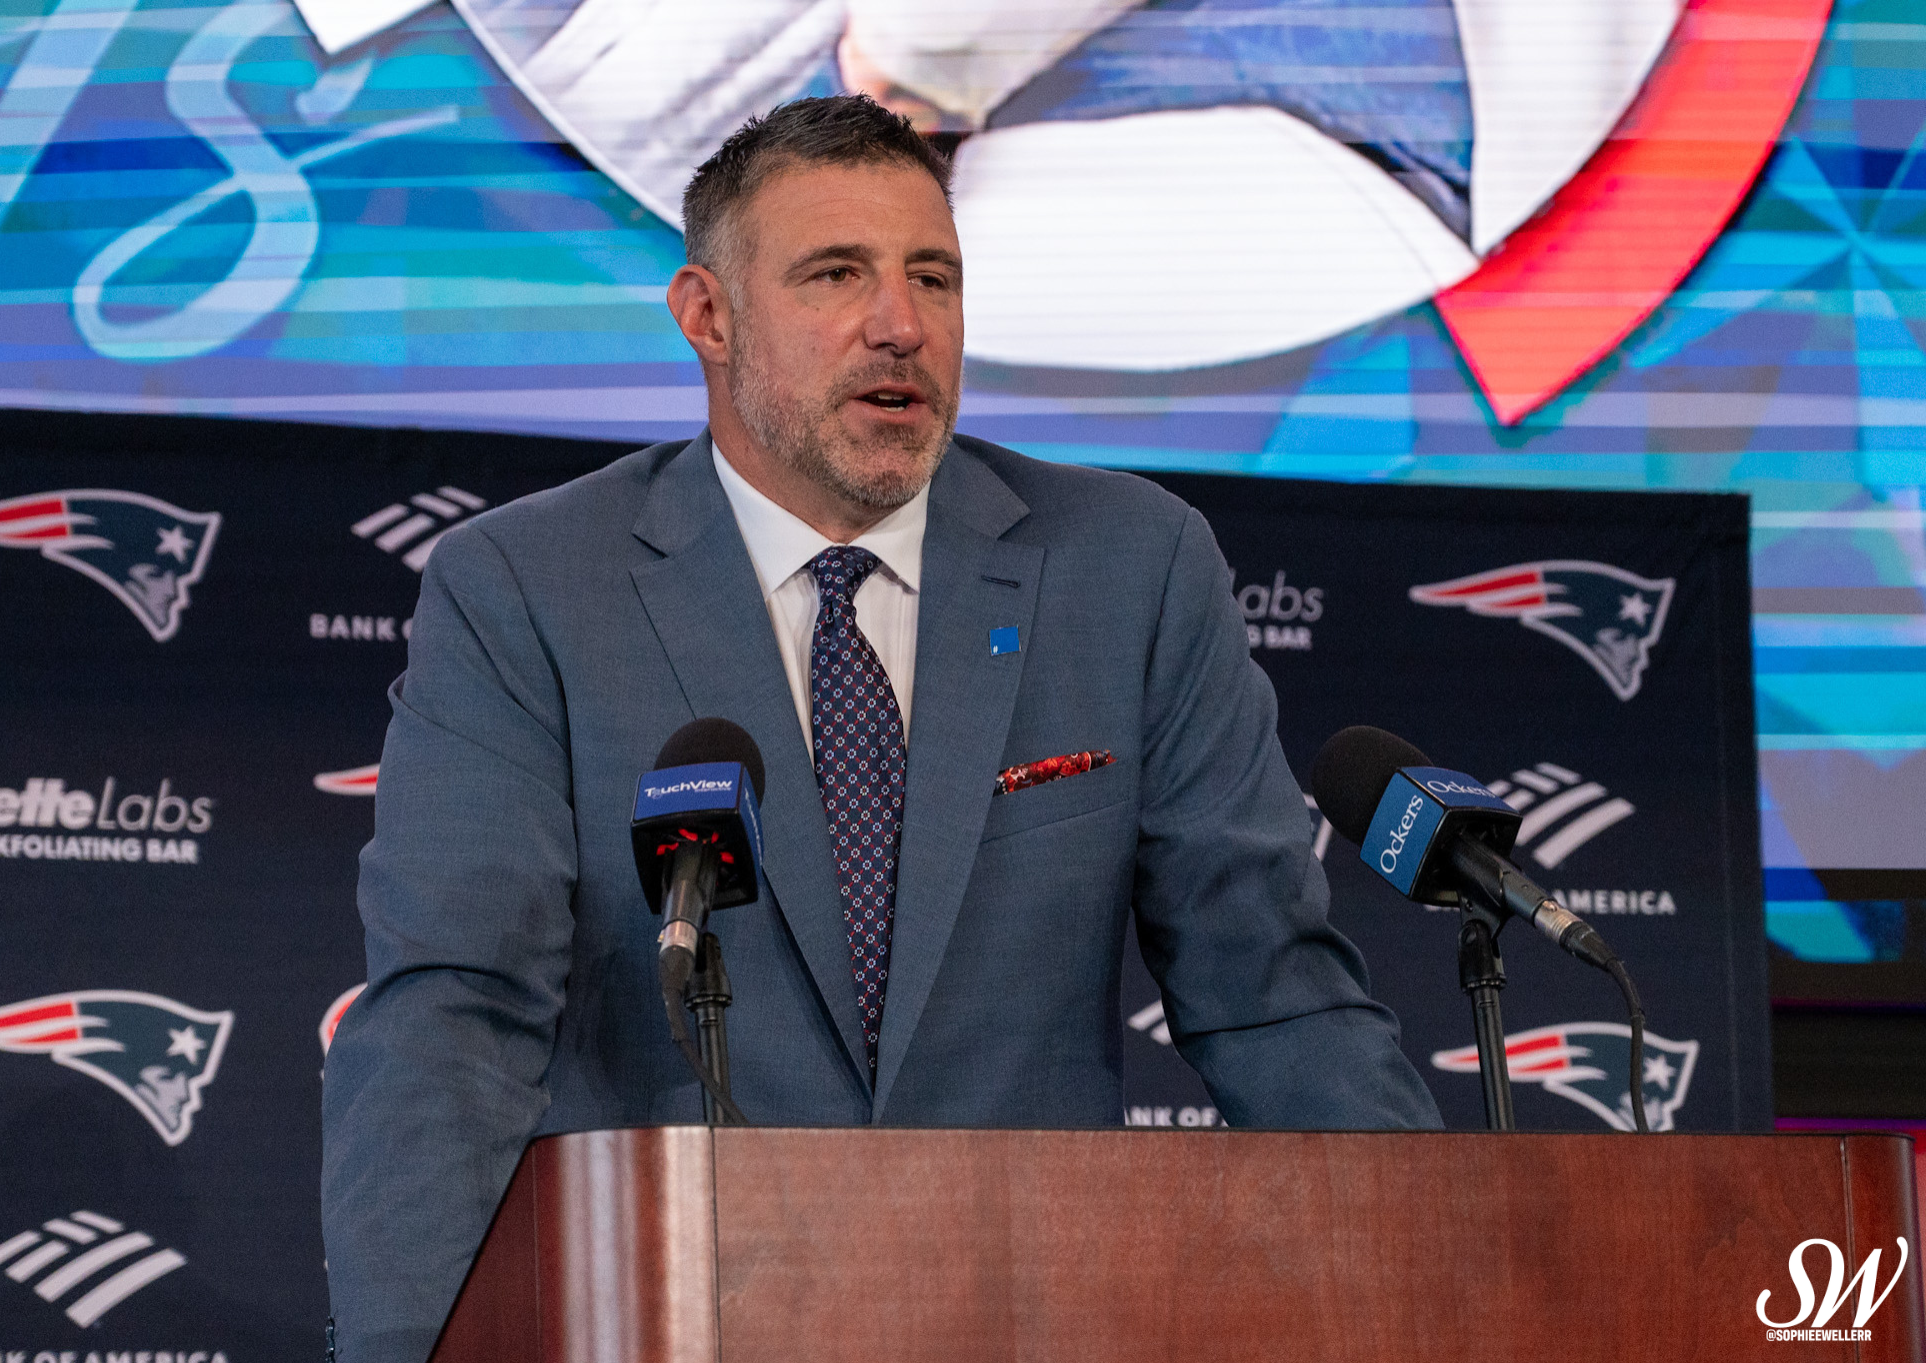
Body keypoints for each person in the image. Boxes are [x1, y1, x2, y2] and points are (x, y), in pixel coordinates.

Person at [321, 93, 1439, 1363]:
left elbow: (1271, 998)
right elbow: (455, 1018)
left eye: (932, 277)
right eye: (834, 274)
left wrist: (1441, 1302)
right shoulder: (525, 587)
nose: (899, 325)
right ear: (706, 314)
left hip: (1037, 1320)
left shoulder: (1128, 567)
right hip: (674, 1318)